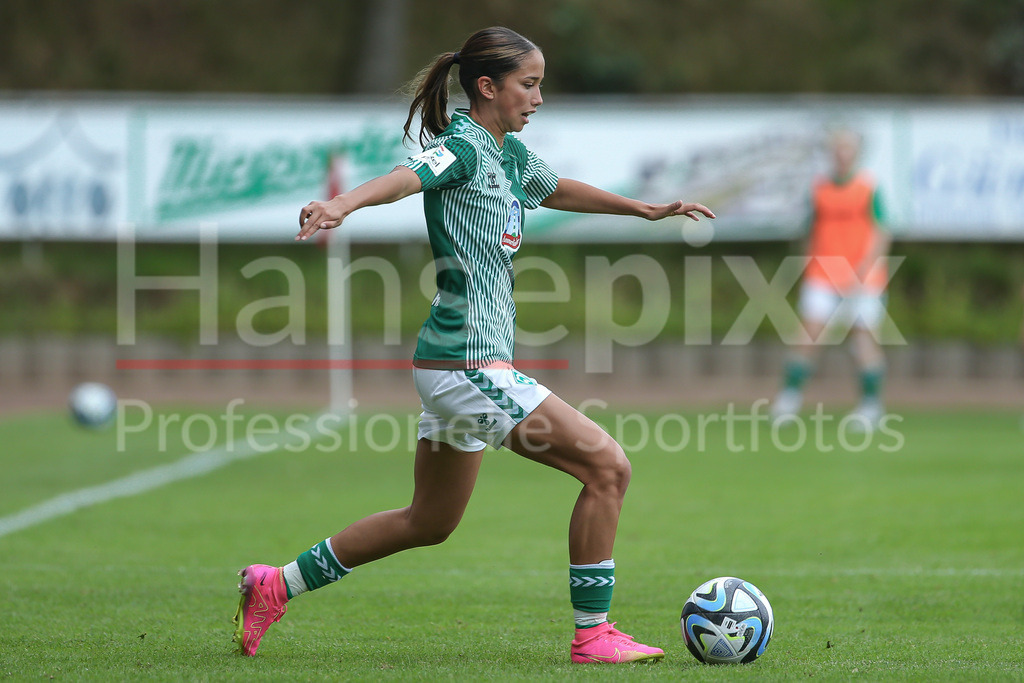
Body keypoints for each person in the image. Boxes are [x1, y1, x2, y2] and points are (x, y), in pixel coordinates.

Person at [232, 26, 714, 664]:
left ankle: (276, 584)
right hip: (467, 364)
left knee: (428, 521)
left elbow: (557, 189)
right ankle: (594, 635)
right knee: (608, 467)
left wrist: (644, 210)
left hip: (452, 365)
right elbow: (407, 177)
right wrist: (342, 203)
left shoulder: (507, 152)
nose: (539, 97)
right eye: (529, 84)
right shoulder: (461, 145)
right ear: (487, 87)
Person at [771, 129, 891, 430]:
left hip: (863, 278)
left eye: (847, 148)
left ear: (856, 152)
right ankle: (789, 399)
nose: (842, 153)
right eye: (837, 148)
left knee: (863, 338)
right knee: (808, 334)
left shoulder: (868, 187)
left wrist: (864, 269)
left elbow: (881, 231)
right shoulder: (819, 188)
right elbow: (809, 233)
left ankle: (870, 406)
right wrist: (806, 266)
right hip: (823, 275)